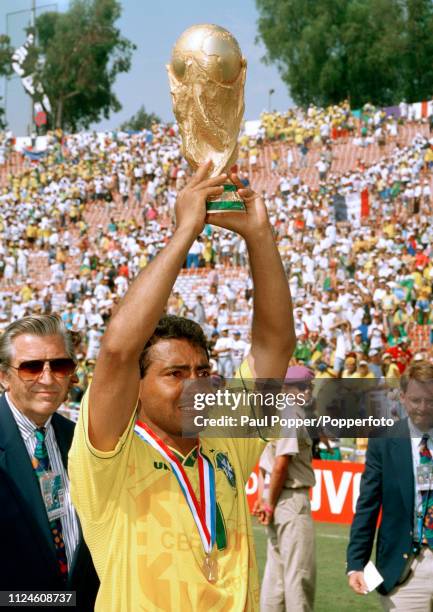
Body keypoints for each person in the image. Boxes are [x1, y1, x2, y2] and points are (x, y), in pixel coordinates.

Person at [69, 163, 295, 611]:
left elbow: (276, 344)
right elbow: (116, 351)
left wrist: (259, 236)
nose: (196, 385)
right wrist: (185, 232)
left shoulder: (226, 440)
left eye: (202, 370)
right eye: (175, 374)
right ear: (136, 386)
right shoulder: (110, 454)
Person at [0, 314, 98, 610]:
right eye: (31, 367)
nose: (47, 377)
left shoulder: (80, 441)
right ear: (4, 376)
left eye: (60, 365)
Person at [347, 361, 433, 610]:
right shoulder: (383, 442)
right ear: (403, 398)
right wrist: (356, 562)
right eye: (416, 400)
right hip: (404, 571)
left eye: (430, 400)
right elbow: (367, 505)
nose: (423, 408)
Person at [255, 365, 316, 612]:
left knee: (276, 577)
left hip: (275, 497)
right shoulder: (291, 415)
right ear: (286, 388)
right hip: (290, 499)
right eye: (302, 386)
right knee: (298, 578)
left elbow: (263, 466)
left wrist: (264, 498)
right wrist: (268, 501)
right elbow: (281, 464)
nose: (307, 391)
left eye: (308, 386)